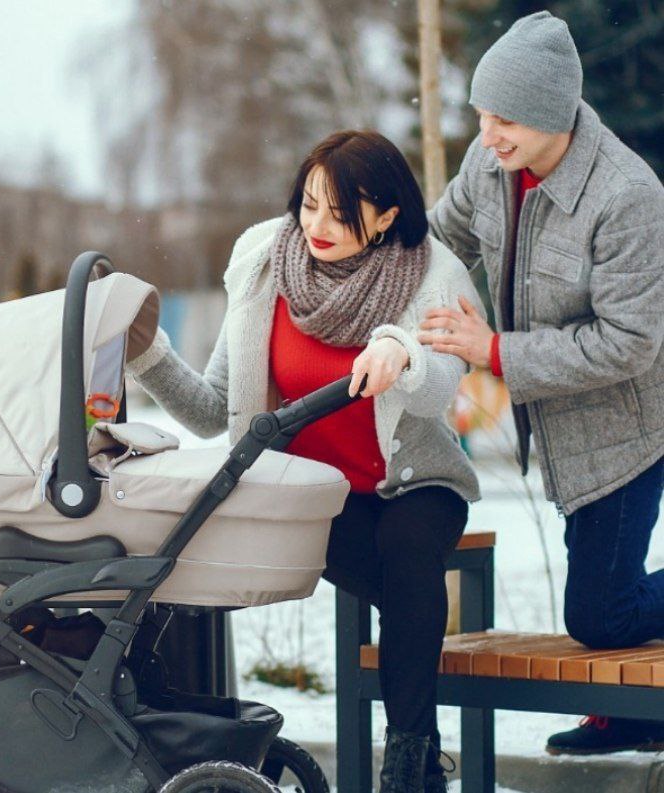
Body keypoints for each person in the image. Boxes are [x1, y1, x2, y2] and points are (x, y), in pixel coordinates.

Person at [127, 129, 481, 793]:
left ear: (386, 216)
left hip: (414, 485)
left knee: (408, 549)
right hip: (316, 494)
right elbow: (214, 410)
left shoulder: (434, 274)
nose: (317, 225)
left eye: (341, 214)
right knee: (408, 592)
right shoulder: (264, 262)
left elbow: (441, 386)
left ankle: (405, 764)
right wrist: (146, 352)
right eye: (309, 204)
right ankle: (424, 760)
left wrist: (402, 351)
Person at [423, 11, 664, 755]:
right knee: (603, 601)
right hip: (558, 429)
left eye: (507, 121)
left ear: (556, 115)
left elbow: (631, 343)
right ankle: (633, 712)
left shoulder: (627, 194)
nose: (488, 135)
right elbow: (440, 236)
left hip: (626, 430)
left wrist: (493, 349)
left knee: (600, 612)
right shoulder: (489, 166)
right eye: (482, 115)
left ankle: (630, 710)